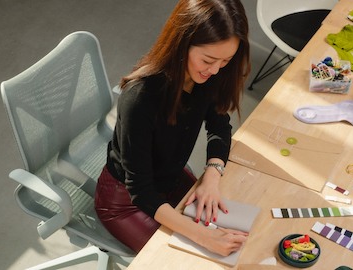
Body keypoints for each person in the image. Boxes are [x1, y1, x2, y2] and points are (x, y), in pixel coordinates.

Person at [95, 0, 251, 257]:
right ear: (183, 43)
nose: (215, 70)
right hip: (127, 201)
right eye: (209, 60)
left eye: (226, 60)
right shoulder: (140, 97)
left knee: (237, 235)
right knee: (185, 259)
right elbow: (141, 190)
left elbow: (219, 125)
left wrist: (212, 175)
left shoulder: (210, 74)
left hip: (170, 180)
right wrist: (205, 237)